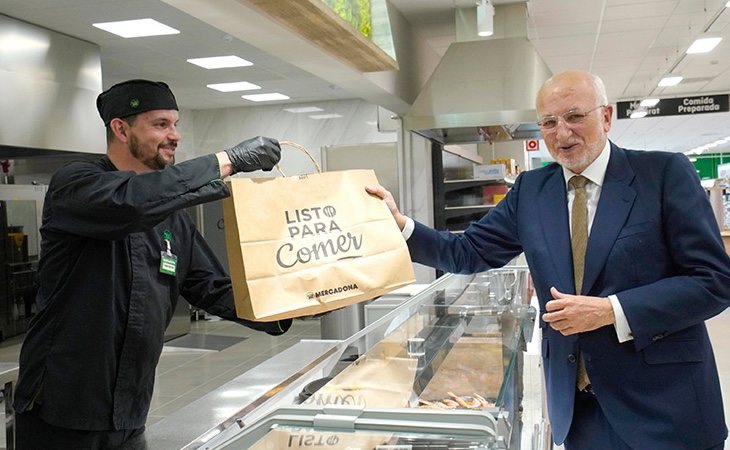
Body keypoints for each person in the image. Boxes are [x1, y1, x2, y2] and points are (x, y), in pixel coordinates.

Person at [367, 70, 730, 450]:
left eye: (575, 116)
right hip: (580, 411)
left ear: (606, 117)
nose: (562, 133)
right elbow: (467, 251)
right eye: (549, 122)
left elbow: (714, 280)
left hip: (664, 407)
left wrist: (612, 310)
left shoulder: (664, 174)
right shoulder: (531, 191)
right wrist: (401, 225)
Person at [13, 79, 292, 449]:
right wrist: (228, 161)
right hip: (62, 409)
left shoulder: (172, 216)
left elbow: (213, 288)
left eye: (175, 124)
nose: (174, 135)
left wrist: (299, 297)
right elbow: (130, 205)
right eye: (160, 124)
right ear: (120, 128)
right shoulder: (77, 184)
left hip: (130, 408)